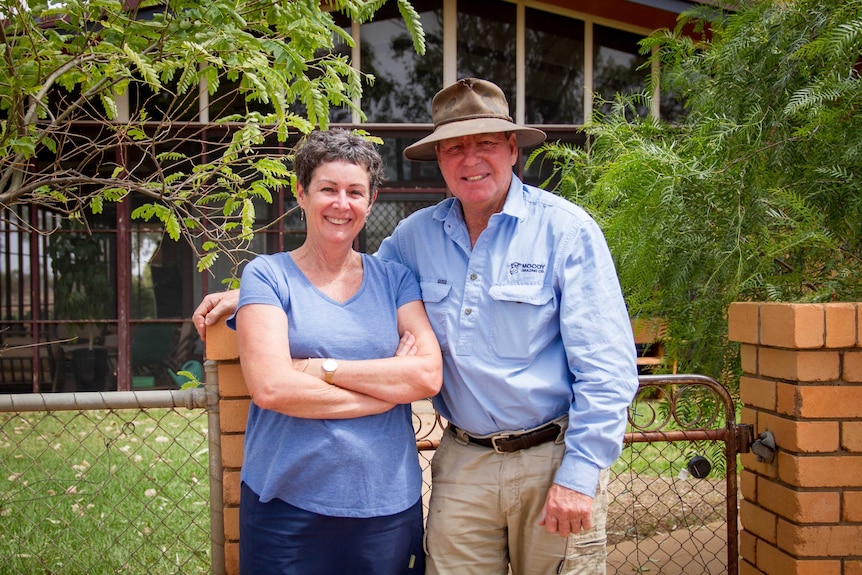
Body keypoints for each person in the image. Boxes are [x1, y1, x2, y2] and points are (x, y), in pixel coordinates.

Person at [195, 78, 639, 575]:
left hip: (551, 458)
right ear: (440, 160)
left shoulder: (567, 231)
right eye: (454, 148)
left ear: (512, 148)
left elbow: (607, 367)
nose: (470, 160)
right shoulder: (415, 237)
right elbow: (343, 277)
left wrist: (580, 474)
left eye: (485, 143)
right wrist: (256, 295)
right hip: (464, 460)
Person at [225, 129, 442, 575]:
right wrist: (385, 391)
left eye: (354, 192)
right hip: (286, 507)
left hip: (384, 505)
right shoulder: (267, 277)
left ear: (371, 200)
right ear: (301, 194)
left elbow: (426, 377)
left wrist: (318, 369)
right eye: (327, 189)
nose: (341, 204)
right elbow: (270, 388)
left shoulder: (395, 280)